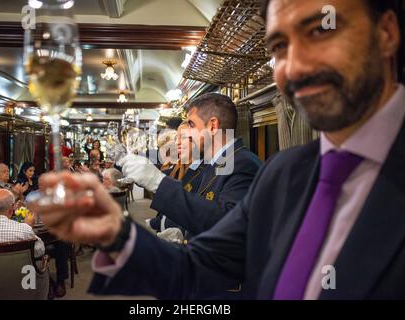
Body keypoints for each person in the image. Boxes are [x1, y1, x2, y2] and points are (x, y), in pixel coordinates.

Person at [33, 0, 405, 299]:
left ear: (387, 32)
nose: (295, 64)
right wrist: (115, 232)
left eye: (321, 30)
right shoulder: (285, 171)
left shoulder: (247, 165)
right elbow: (199, 267)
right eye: (279, 46)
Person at [120, 93, 262, 238]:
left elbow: (228, 224)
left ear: (213, 127)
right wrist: (183, 234)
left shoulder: (243, 163)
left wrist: (159, 183)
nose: (187, 131)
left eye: (191, 124)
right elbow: (201, 209)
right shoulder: (212, 163)